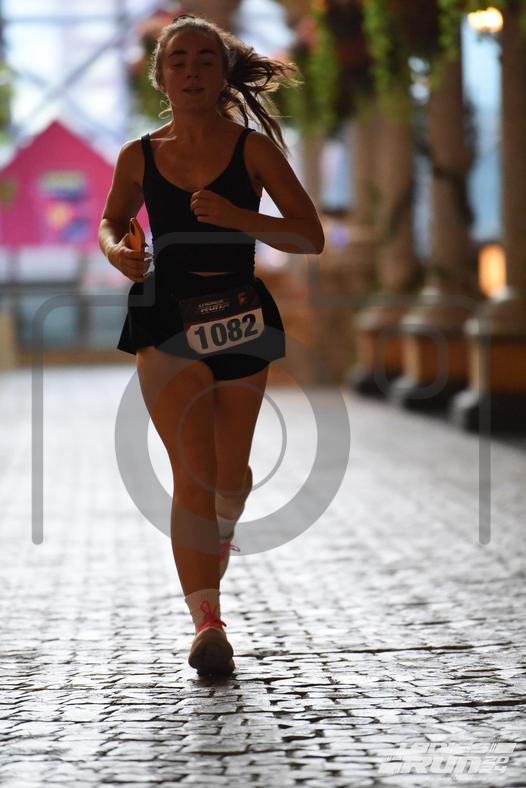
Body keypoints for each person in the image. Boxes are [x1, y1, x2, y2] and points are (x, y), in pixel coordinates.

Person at [98, 13, 324, 677]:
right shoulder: (138, 155)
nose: (192, 70)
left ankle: (220, 527)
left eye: (205, 59)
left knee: (229, 477)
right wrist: (118, 251)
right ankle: (207, 625)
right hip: (164, 316)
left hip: (240, 314)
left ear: (223, 74)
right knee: (192, 473)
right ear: (161, 77)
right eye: (179, 60)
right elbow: (112, 220)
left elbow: (309, 236)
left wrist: (239, 217)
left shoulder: (253, 151)